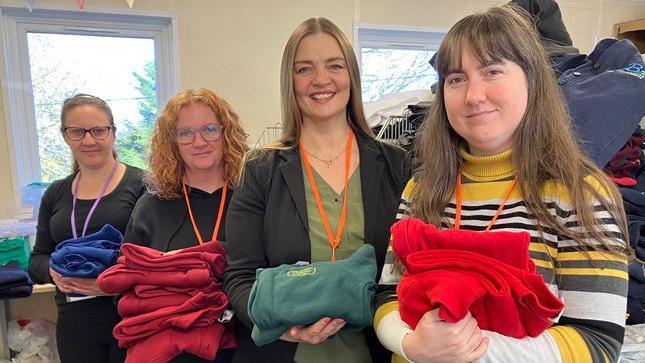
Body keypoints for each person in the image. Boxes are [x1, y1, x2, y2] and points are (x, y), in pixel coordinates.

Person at [374, 4, 630, 363]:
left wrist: (466, 351)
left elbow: (597, 342)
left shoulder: (581, 194)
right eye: (456, 79)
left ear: (532, 80)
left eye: (492, 71)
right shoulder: (420, 189)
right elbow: (387, 296)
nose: (473, 95)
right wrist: (410, 345)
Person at [222, 17, 409, 363]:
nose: (321, 80)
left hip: (378, 352)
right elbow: (239, 276)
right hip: (284, 354)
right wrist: (283, 327)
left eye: (334, 66)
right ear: (289, 82)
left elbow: (411, 271)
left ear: (351, 75)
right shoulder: (261, 169)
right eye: (304, 69)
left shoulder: (397, 166)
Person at [124, 88, 249, 362]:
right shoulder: (152, 207)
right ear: (172, 142)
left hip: (248, 347)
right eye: (185, 133)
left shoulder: (253, 196)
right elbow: (127, 289)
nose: (199, 141)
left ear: (226, 132)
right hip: (176, 352)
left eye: (209, 129)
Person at [29, 93, 146, 363]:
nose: (89, 140)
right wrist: (52, 272)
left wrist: (114, 284)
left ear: (113, 133)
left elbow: (160, 258)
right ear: (65, 135)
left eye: (98, 130)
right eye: (78, 131)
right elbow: (37, 258)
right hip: (75, 323)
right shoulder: (55, 193)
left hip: (130, 319)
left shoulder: (143, 186)